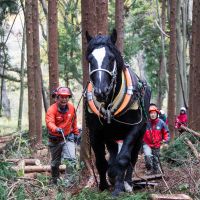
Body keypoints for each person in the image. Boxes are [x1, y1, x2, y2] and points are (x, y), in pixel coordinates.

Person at [46, 87, 79, 184]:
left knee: (71, 159)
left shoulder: (72, 108)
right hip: (55, 139)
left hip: (68, 137)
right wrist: (56, 128)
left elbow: (74, 121)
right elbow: (49, 122)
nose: (64, 99)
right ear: (57, 97)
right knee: (55, 163)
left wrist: (76, 133)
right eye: (62, 97)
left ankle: (69, 181)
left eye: (66, 97)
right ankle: (55, 180)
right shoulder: (51, 109)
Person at [143, 105, 170, 175]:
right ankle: (149, 169)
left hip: (157, 144)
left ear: (157, 114)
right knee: (148, 156)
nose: (152, 115)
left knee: (156, 159)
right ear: (149, 114)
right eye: (151, 113)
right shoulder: (146, 123)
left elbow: (166, 132)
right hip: (147, 143)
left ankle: (155, 172)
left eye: (154, 113)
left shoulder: (161, 123)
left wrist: (165, 140)